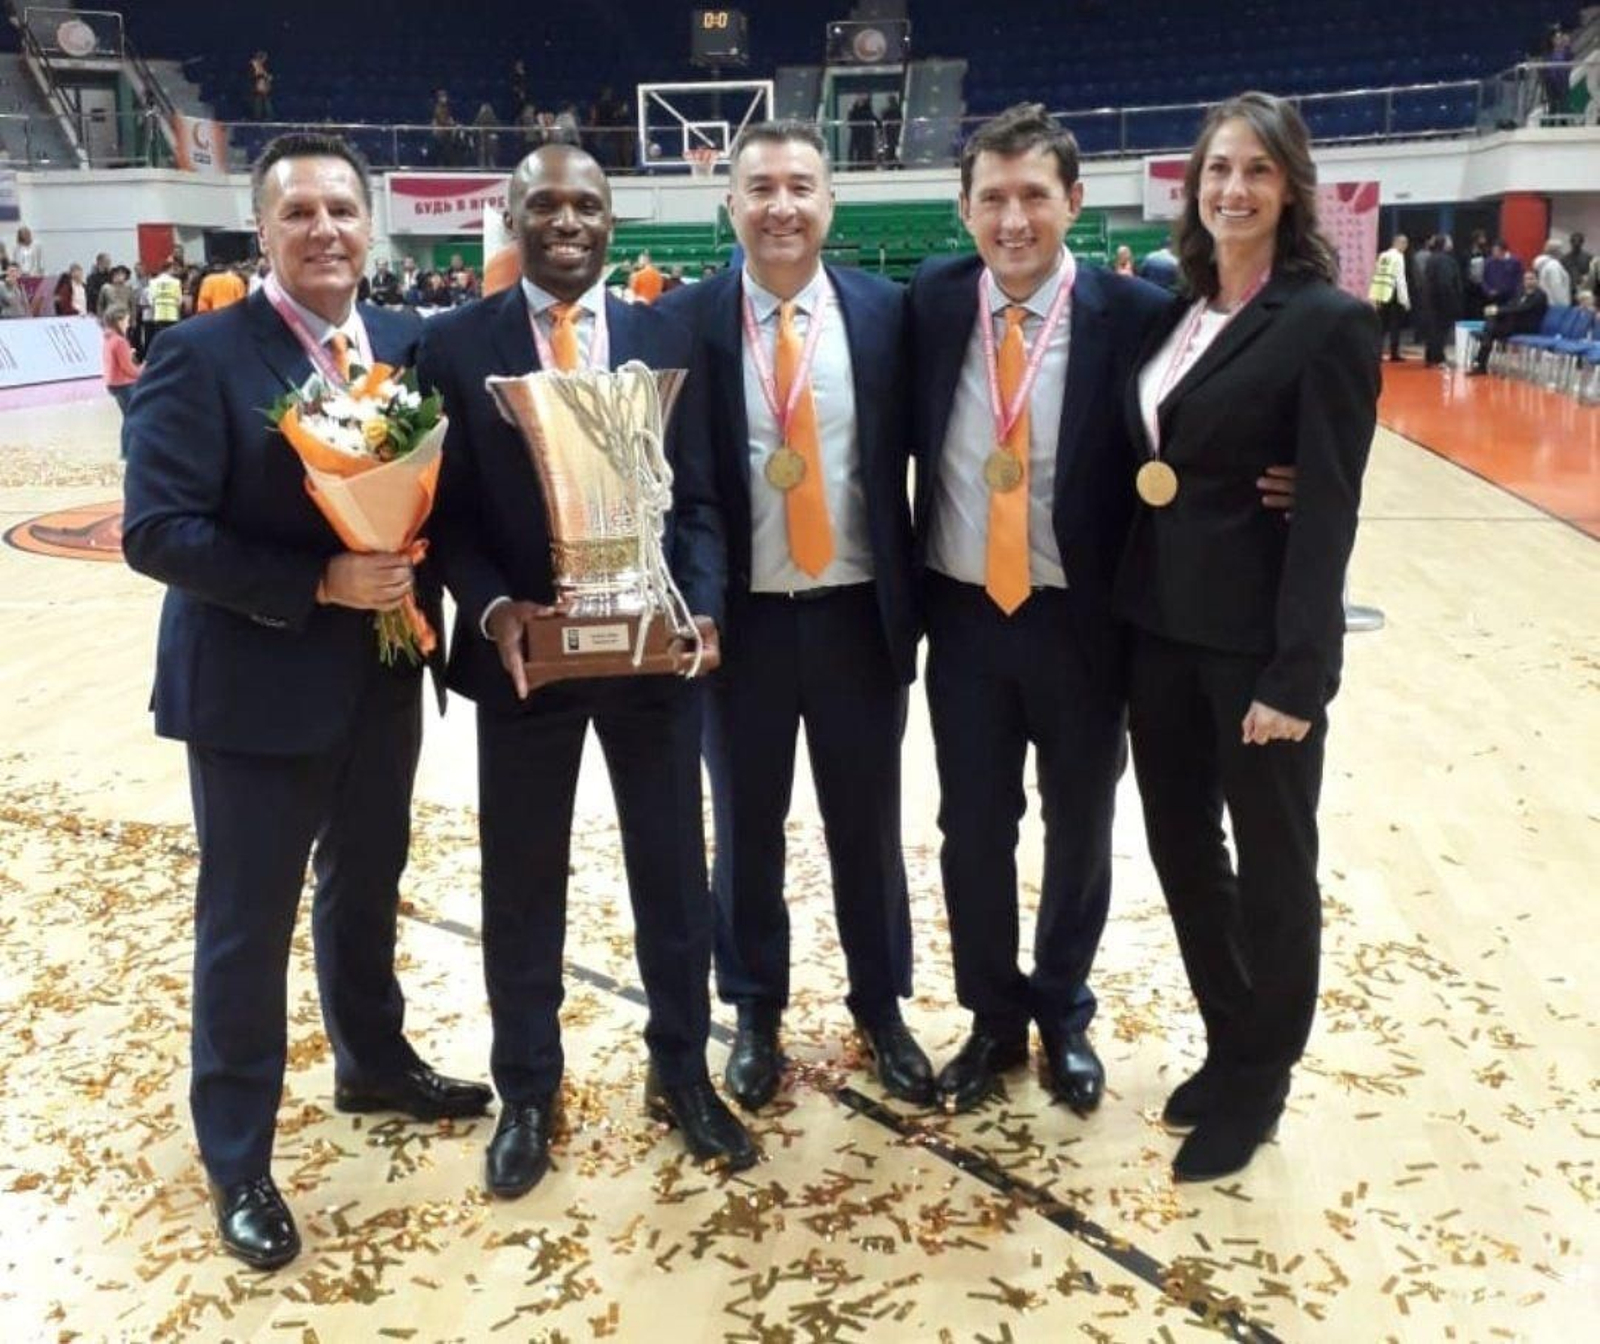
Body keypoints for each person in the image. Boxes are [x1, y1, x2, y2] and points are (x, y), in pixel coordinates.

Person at [120, 132, 492, 1272]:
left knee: (366, 885)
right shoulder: (201, 353)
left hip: (381, 677)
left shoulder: (408, 346)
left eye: (341, 210)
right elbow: (156, 532)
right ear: (263, 230)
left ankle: (370, 1061)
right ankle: (236, 1155)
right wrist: (315, 582)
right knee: (246, 929)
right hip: (251, 687)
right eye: (300, 215)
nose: (324, 230)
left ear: (369, 225)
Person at [417, 144, 757, 1198]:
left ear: (614, 219)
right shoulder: (453, 343)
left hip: (652, 660)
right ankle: (527, 1087)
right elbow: (450, 520)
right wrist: (493, 608)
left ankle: (680, 1069)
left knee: (672, 875)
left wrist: (698, 606)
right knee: (521, 885)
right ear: (511, 214)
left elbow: (696, 499)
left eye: (587, 204)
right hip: (529, 664)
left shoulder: (670, 335)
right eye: (544, 203)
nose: (567, 220)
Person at [1115, 91, 1380, 1183]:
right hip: (1158, 636)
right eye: (1217, 169)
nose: (1232, 190)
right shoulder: (1175, 311)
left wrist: (1299, 676)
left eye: (1256, 172)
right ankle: (1230, 1041)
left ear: (1289, 188)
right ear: (1193, 182)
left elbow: (1326, 511)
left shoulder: (1325, 321)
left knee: (1273, 868)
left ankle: (1262, 1080)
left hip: (1255, 653)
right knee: (1183, 853)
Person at [907, 104, 1179, 1116]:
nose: (1012, 219)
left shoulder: (1134, 316)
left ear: (1072, 200)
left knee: (1079, 826)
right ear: (964, 210)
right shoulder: (930, 304)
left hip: (1081, 619)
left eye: (1032, 196)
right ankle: (990, 1019)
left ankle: (1062, 1010)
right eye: (992, 198)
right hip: (967, 614)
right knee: (970, 829)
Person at [657, 121, 932, 1113]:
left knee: (868, 827)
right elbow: (667, 483)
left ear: (830, 203)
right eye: (759, 186)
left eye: (800, 186)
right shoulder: (682, 322)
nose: (780, 205)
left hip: (861, 614)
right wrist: (691, 604)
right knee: (745, 830)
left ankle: (880, 1006)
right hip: (743, 624)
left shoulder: (887, 314)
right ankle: (756, 1009)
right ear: (728, 204)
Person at [1468, 268, 1550, 375]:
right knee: (1491, 322)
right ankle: (1480, 363)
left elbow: (1522, 308)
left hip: (1527, 326)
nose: (1528, 281)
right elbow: (1510, 305)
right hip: (1513, 323)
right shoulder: (1520, 292)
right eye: (1526, 279)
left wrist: (1498, 310)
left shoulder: (1540, 296)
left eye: (1531, 279)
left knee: (1490, 329)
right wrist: (1496, 309)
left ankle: (1480, 363)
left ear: (1537, 280)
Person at [1414, 234, 1463, 367]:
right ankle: (1438, 358)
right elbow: (1445, 282)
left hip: (1430, 300)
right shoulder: (1445, 260)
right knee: (1440, 331)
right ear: (1445, 244)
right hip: (1442, 301)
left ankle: (1431, 357)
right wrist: (1451, 300)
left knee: (1433, 330)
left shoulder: (1432, 258)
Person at [1368, 233, 1409, 360]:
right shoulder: (1398, 257)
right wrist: (1405, 299)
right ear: (1399, 243)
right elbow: (1400, 279)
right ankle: (1394, 353)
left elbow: (1376, 275)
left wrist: (1374, 296)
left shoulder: (1382, 256)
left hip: (1381, 292)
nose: (1406, 246)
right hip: (1393, 293)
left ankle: (1378, 352)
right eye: (1404, 243)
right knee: (1395, 325)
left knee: (1382, 326)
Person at [101, 302, 140, 419]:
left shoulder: (108, 338)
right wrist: (144, 370)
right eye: (127, 321)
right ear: (119, 321)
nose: (128, 325)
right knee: (134, 416)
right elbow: (129, 369)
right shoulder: (120, 341)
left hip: (112, 383)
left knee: (128, 415)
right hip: (124, 384)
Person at [145, 258, 184, 350]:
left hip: (158, 314)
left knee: (160, 337)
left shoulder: (153, 282)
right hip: (172, 314)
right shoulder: (176, 282)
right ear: (170, 268)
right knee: (173, 337)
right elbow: (179, 300)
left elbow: (150, 299)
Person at [1482, 240, 1521, 307]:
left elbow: (1518, 278)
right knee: (1492, 314)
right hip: (1492, 297)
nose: (1494, 252)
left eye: (1496, 250)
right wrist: (1488, 290)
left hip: (1509, 296)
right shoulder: (1488, 262)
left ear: (1503, 251)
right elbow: (1483, 279)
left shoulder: (1514, 262)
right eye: (1493, 250)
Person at [1533, 238, 1572, 306]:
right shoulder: (1554, 266)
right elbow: (1556, 287)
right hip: (1555, 304)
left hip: (1545, 301)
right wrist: (1563, 305)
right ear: (1557, 251)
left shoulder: (1543, 265)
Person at [847, 95, 879, 169]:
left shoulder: (862, 111)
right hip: (861, 134)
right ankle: (860, 166)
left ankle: (861, 166)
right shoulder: (859, 111)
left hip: (863, 135)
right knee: (861, 151)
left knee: (863, 151)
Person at [84, 252, 114, 316]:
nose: (109, 264)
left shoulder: (112, 276)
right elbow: (91, 293)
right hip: (97, 309)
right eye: (107, 261)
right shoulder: (92, 278)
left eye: (109, 262)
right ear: (100, 262)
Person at [248, 51, 274, 121]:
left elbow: (270, 77)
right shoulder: (253, 65)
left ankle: (270, 117)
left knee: (267, 102)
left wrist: (266, 77)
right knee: (257, 102)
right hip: (256, 87)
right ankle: (257, 117)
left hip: (265, 87)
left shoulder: (266, 66)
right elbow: (253, 75)